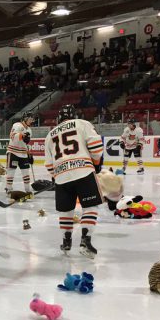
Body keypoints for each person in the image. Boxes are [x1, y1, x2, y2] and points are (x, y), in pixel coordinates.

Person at [44, 104, 104, 259]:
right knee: (90, 206)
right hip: (83, 171)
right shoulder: (83, 124)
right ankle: (85, 240)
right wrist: (96, 163)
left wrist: (56, 176)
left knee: (66, 211)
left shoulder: (50, 135)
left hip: (62, 177)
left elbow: (49, 165)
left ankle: (66, 241)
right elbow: (96, 149)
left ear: (59, 118)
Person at [5, 112, 34, 192]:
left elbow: (25, 144)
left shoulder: (30, 130)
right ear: (25, 119)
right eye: (30, 119)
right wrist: (22, 136)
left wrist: (29, 154)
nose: (31, 121)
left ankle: (27, 190)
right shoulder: (17, 125)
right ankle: (9, 189)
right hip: (13, 152)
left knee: (26, 172)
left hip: (24, 154)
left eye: (32, 119)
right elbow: (12, 136)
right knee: (11, 171)